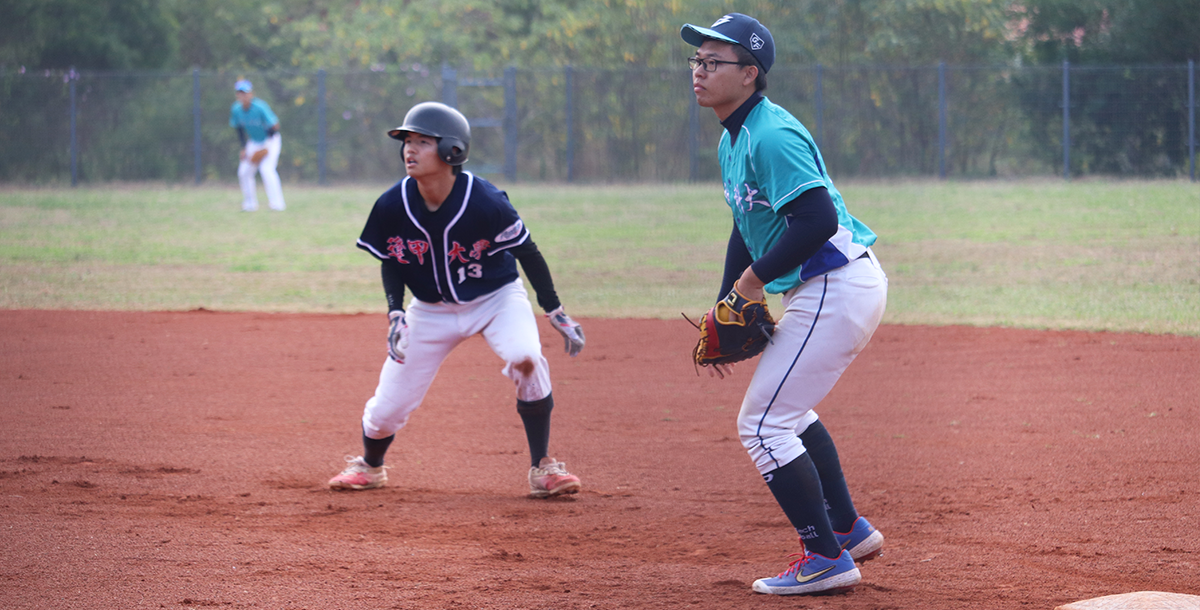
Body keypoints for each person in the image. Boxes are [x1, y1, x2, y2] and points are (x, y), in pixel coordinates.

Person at [680, 13, 889, 596]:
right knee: (786, 412)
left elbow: (818, 220)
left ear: (750, 73)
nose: (699, 70)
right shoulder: (734, 135)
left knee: (763, 423)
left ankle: (824, 556)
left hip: (837, 286)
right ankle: (846, 530)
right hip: (826, 288)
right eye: (696, 60)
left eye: (713, 61)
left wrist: (749, 284)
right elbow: (749, 224)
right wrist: (726, 300)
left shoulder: (770, 134)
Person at [328, 101, 587, 499]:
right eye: (407, 142)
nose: (409, 150)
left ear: (452, 150)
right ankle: (371, 466)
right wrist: (395, 312)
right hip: (429, 311)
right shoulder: (391, 204)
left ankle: (543, 468)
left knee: (526, 357)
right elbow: (392, 259)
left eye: (422, 141)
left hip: (496, 299)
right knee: (384, 412)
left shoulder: (486, 201)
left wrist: (554, 309)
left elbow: (527, 252)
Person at [229, 79, 286, 212]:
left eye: (245, 92)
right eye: (240, 93)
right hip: (254, 142)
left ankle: (277, 204)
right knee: (244, 172)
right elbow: (239, 130)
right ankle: (250, 204)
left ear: (251, 93)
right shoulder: (236, 109)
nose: (243, 95)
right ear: (237, 94)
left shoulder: (260, 107)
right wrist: (244, 148)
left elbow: (275, 126)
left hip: (270, 140)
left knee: (266, 169)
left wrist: (266, 147)